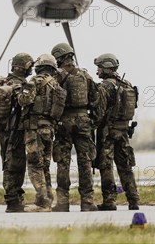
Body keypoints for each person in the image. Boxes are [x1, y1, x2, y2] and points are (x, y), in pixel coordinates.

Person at [50, 43, 99, 212]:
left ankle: (62, 202)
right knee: (85, 161)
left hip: (64, 122)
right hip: (84, 121)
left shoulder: (57, 76)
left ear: (59, 58)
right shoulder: (85, 75)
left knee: (63, 162)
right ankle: (87, 201)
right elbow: (95, 98)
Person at [16, 54, 66, 212]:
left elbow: (25, 101)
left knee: (34, 165)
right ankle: (48, 199)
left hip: (34, 128)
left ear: (39, 66)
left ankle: (42, 202)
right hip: (49, 129)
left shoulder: (35, 81)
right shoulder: (57, 86)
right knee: (44, 165)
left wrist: (19, 94)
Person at [93, 53, 140, 211]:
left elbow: (99, 113)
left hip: (108, 132)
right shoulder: (127, 84)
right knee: (125, 166)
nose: (97, 71)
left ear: (106, 67)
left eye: (99, 67)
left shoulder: (104, 86)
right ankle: (133, 199)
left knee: (105, 166)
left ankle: (109, 201)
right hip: (124, 130)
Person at [0, 52, 34, 212]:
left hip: (7, 130)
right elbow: (23, 101)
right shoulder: (17, 84)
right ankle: (12, 200)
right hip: (15, 130)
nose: (31, 70)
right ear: (22, 67)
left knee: (11, 162)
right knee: (14, 164)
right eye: (29, 66)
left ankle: (15, 197)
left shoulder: (7, 81)